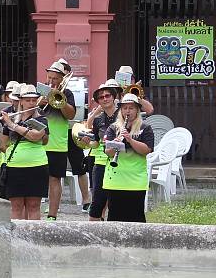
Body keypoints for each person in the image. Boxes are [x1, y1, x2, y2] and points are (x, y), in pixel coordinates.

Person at [0, 84, 49, 220]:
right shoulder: (11, 118)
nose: (31, 103)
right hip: (15, 166)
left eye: (34, 100)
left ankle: (33, 238)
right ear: (20, 101)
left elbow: (36, 136)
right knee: (16, 206)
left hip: (37, 165)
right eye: (27, 100)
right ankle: (16, 239)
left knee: (34, 206)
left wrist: (13, 126)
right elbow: (2, 143)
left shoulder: (41, 119)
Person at [103, 93, 154, 222]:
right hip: (115, 180)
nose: (127, 111)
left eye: (131, 108)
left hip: (136, 181)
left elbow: (146, 150)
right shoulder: (113, 128)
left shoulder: (145, 128)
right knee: (114, 217)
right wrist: (116, 142)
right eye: (125, 108)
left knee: (136, 217)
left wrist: (130, 140)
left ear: (137, 110)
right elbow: (108, 152)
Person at [39, 59, 76, 221]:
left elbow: (71, 115)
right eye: (49, 77)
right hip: (39, 141)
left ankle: (52, 214)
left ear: (62, 78)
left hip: (58, 143)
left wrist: (59, 101)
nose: (51, 81)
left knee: (55, 179)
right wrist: (41, 101)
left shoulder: (67, 94)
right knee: (39, 178)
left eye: (55, 78)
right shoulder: (41, 90)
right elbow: (31, 111)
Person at [83, 79, 122, 221]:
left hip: (120, 162)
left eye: (107, 95)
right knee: (97, 202)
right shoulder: (99, 119)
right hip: (100, 162)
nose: (105, 99)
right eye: (101, 97)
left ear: (114, 97)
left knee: (116, 203)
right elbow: (95, 142)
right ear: (98, 101)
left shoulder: (122, 115)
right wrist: (87, 142)